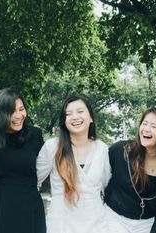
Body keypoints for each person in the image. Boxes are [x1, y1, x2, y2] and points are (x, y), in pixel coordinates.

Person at [104, 107, 156, 233]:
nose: (146, 129)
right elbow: (98, 181)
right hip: (113, 219)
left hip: (147, 224)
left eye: (153, 126)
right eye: (144, 123)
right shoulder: (120, 151)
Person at [0, 88, 46, 233]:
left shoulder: (34, 135)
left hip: (28, 203)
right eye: (12, 111)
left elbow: (47, 164)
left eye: (21, 109)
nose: (19, 115)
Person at [37, 96, 111, 233]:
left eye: (80, 111)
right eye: (68, 114)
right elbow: (31, 180)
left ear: (91, 118)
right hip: (60, 226)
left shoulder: (102, 149)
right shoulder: (52, 147)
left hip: (97, 226)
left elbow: (107, 187)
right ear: (64, 121)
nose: (75, 117)